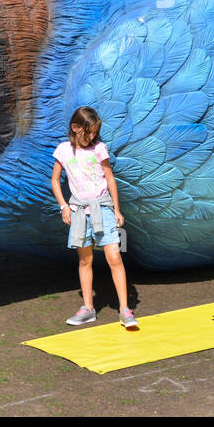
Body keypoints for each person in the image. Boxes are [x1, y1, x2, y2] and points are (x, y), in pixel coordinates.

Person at [50, 106, 136, 330]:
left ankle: (125, 309)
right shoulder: (63, 150)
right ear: (75, 127)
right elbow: (55, 180)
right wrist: (63, 207)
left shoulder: (100, 149)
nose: (92, 137)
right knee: (85, 259)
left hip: (103, 209)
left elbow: (110, 178)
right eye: (88, 133)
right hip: (79, 212)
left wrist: (117, 210)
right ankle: (88, 309)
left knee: (114, 257)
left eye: (95, 133)